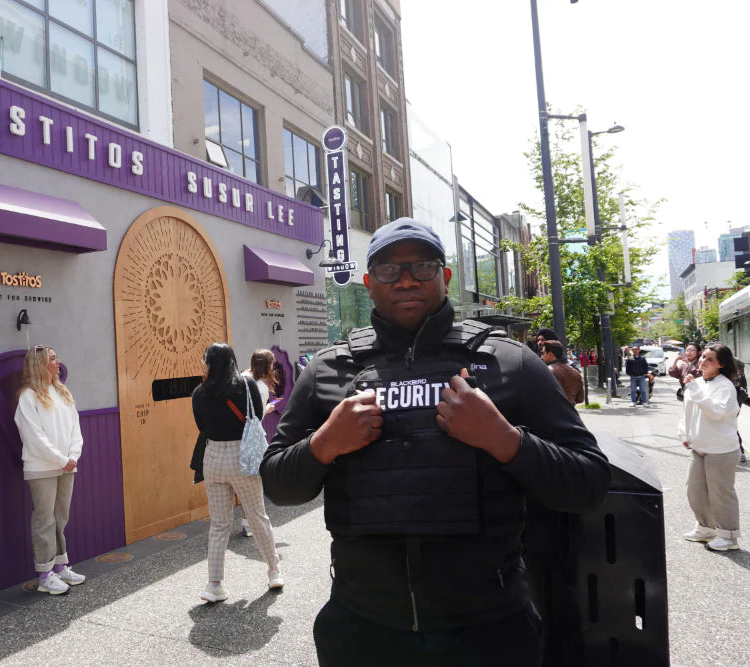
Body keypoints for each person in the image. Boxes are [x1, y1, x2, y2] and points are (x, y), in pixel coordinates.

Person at [260, 218, 610, 666]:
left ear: (444, 277)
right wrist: (324, 444)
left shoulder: (510, 363)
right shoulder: (329, 370)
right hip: (362, 631)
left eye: (422, 267)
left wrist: (504, 439)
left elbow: (589, 481)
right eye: (388, 269)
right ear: (369, 284)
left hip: (489, 630)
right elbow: (278, 486)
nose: (406, 279)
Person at [192, 343, 283, 602]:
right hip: (244, 456)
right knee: (257, 516)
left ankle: (214, 585)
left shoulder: (199, 392)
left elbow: (201, 426)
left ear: (210, 363)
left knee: (219, 524)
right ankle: (273, 570)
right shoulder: (247, 386)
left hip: (213, 458)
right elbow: (254, 417)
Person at [14, 345, 87, 595]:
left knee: (60, 518)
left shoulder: (61, 392)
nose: (58, 363)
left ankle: (60, 566)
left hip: (67, 465)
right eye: (53, 359)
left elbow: (75, 427)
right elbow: (33, 436)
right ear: (40, 364)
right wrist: (60, 459)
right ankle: (45, 575)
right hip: (42, 468)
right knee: (44, 519)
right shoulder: (28, 396)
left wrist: (73, 456)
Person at [679, 343, 742, 551]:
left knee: (721, 494)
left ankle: (729, 536)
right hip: (699, 447)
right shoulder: (696, 382)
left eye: (710, 359)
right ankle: (706, 528)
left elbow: (715, 412)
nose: (703, 361)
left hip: (722, 450)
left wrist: (694, 389)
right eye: (703, 357)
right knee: (695, 491)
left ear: (721, 364)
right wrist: (685, 433)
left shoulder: (725, 386)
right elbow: (688, 412)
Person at [236, 348, 280, 538]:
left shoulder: (241, 377)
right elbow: (256, 417)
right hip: (252, 439)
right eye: (272, 364)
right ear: (267, 366)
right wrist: (268, 409)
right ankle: (250, 524)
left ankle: (246, 523)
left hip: (236, 436)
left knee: (241, 481)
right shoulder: (261, 388)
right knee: (254, 481)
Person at [541, 340, 584, 405]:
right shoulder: (576, 372)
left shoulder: (548, 371)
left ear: (550, 354)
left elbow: (542, 396)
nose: (542, 356)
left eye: (543, 353)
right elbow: (580, 399)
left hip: (552, 412)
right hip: (571, 412)